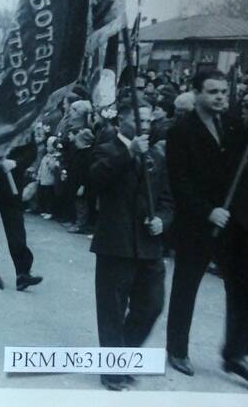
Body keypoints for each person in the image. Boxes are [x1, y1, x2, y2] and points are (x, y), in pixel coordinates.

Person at [164, 68, 248, 385]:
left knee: (242, 285)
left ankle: (236, 355)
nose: (221, 97)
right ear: (197, 93)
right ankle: (177, 350)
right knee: (187, 285)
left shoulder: (235, 125)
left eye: (224, 92)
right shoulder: (180, 132)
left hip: (233, 222)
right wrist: (207, 211)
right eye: (213, 92)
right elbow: (179, 182)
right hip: (199, 222)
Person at [89, 100, 173, 391]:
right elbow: (94, 181)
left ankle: (121, 356)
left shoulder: (157, 155)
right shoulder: (107, 147)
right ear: (122, 121)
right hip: (116, 243)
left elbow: (166, 198)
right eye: (140, 121)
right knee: (112, 308)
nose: (146, 127)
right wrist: (128, 153)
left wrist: (163, 220)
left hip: (149, 245)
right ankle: (112, 368)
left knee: (151, 305)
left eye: (149, 122)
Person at [0, 143, 43, 291]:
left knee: (15, 227)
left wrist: (15, 163)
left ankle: (22, 273)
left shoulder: (24, 124)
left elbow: (31, 152)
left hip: (12, 183)